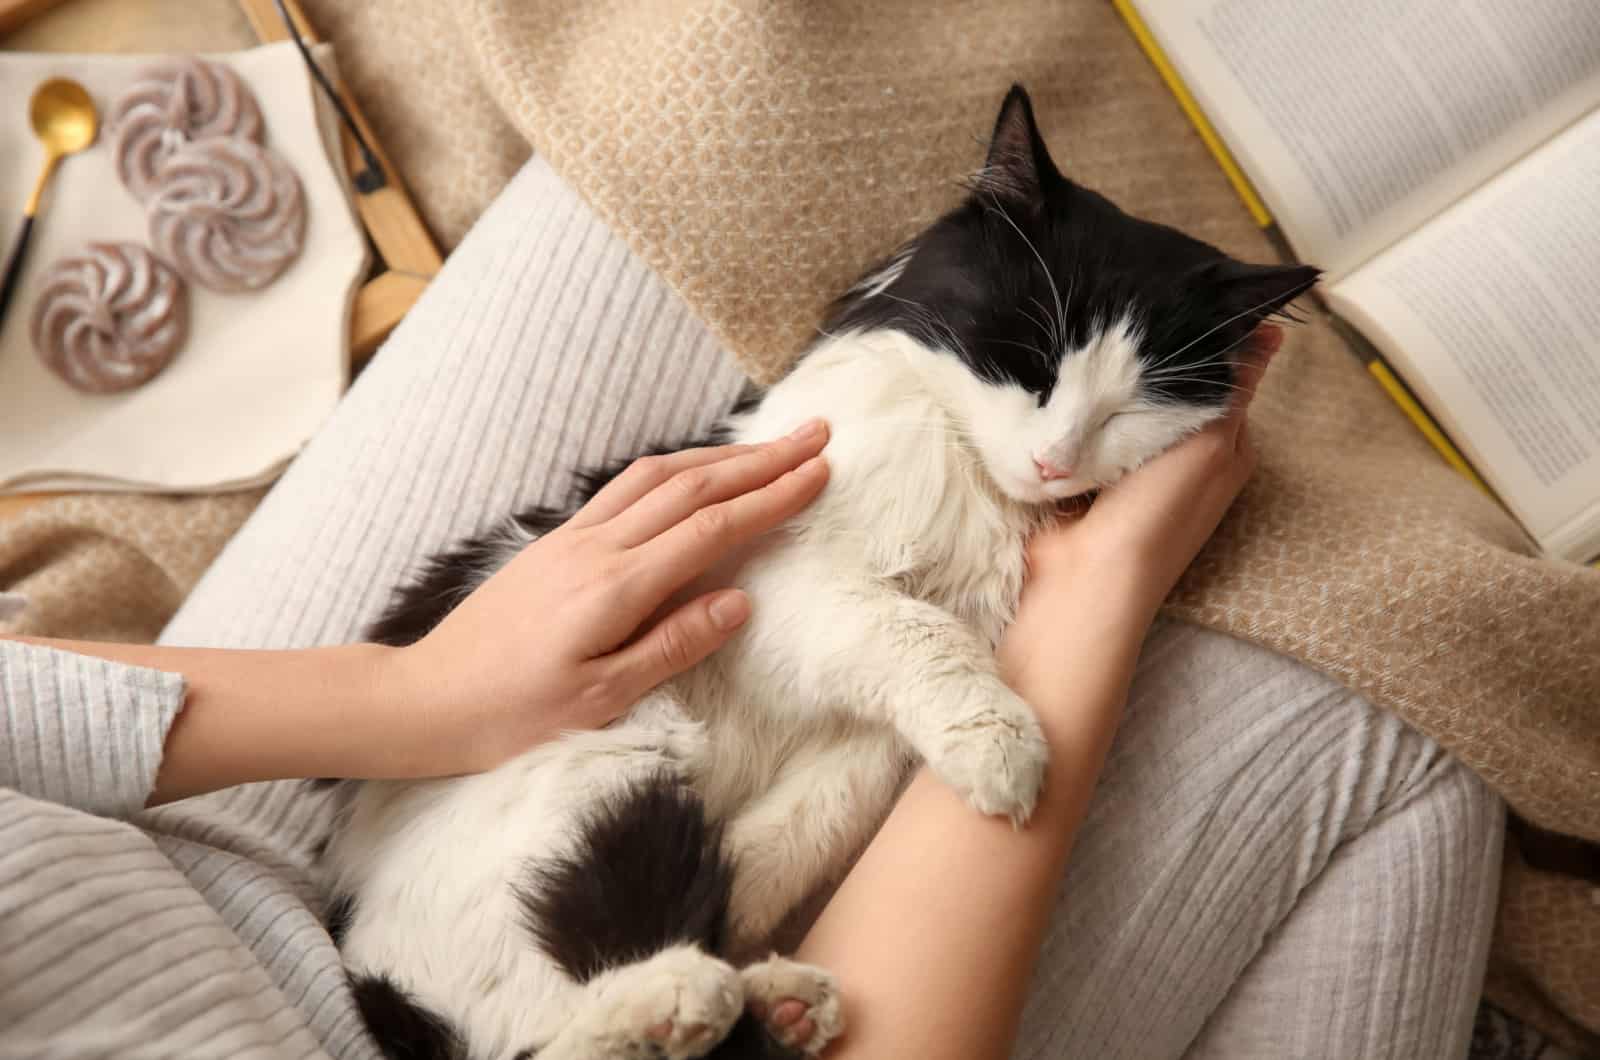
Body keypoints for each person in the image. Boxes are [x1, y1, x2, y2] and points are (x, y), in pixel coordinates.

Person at [0, 157, 1501, 1060]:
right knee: (1419, 727)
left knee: (677, 153)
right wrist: (1082, 607)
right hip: (495, 999)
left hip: (226, 821)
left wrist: (425, 694)